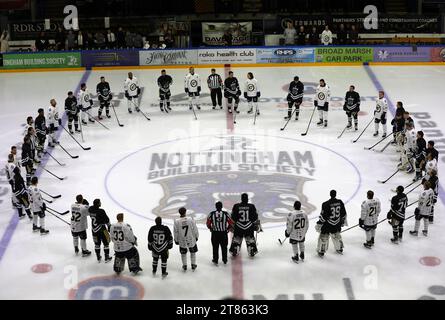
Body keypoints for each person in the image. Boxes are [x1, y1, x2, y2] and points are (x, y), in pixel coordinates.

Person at [315, 190, 347, 257]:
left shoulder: (325, 204)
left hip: (328, 225)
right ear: (335, 194)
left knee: (323, 237)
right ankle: (340, 248)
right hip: (337, 224)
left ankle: (322, 251)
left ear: (330, 194)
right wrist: (342, 222)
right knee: (336, 235)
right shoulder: (340, 202)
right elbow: (343, 214)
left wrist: (319, 223)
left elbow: (323, 217)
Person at [229, 193, 259, 257]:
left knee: (237, 239)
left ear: (241, 199)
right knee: (250, 239)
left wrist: (234, 224)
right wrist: (254, 224)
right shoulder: (252, 206)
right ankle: (252, 249)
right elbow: (255, 217)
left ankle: (235, 249)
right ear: (247, 199)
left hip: (239, 226)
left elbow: (233, 217)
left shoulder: (236, 206)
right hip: (249, 227)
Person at [173, 207, 199, 271]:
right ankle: (193, 264)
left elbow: (175, 232)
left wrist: (176, 240)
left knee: (183, 253)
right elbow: (195, 228)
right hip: (191, 239)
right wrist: (196, 236)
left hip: (182, 240)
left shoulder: (176, 221)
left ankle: (184, 265)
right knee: (192, 252)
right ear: (185, 212)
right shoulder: (190, 219)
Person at [5, 154, 24, 219]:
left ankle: (15, 202)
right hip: (13, 179)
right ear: (12, 158)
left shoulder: (7, 164)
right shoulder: (11, 165)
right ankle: (15, 202)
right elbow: (17, 171)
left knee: (14, 190)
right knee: (14, 191)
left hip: (10, 179)